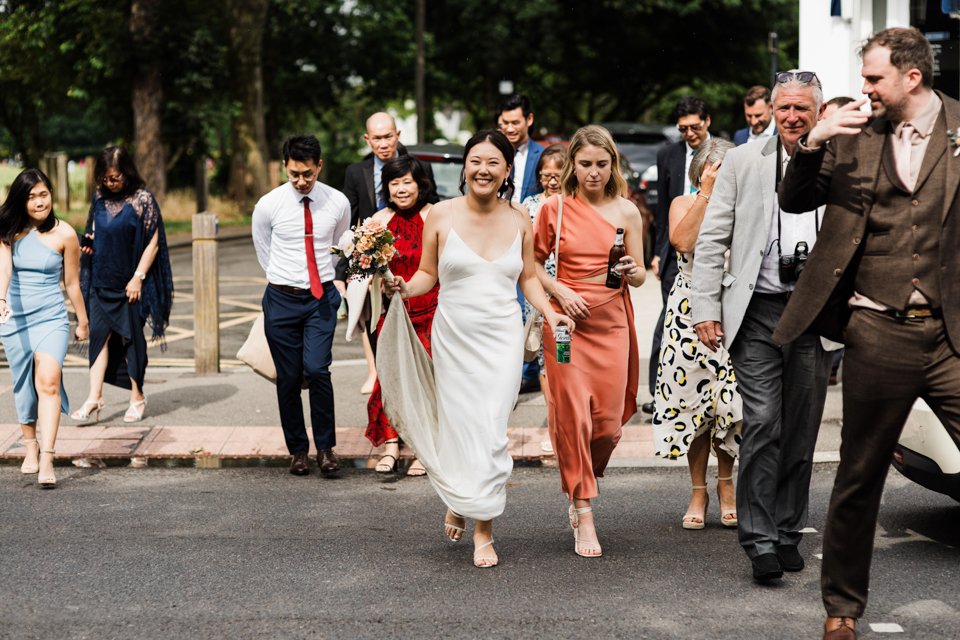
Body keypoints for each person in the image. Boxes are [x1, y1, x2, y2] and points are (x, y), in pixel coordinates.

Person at [775, 27, 960, 640]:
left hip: (951, 333)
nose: (864, 89)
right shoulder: (851, 134)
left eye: (874, 78)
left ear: (913, 77)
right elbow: (796, 199)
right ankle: (842, 610)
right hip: (877, 327)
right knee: (859, 475)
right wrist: (811, 142)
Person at [381, 129, 573, 568]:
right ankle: (465, 501)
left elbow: (527, 277)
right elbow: (428, 274)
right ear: (465, 167)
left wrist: (551, 310)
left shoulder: (520, 218)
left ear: (507, 171)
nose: (483, 169)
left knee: (490, 430)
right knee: (460, 426)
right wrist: (403, 288)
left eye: (493, 162)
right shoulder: (441, 216)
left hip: (502, 339)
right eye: (475, 161)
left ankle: (482, 527)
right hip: (454, 338)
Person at [692, 71, 835, 585]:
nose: (793, 117)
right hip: (756, 313)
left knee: (801, 430)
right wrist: (706, 306)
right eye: (784, 108)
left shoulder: (840, 157)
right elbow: (712, 239)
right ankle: (758, 539)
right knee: (763, 422)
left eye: (802, 108)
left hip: (815, 315)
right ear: (772, 111)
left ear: (818, 110)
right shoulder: (741, 160)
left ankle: (788, 531)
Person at [534, 125, 644, 557]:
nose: (594, 173)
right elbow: (532, 267)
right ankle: (583, 511)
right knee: (575, 418)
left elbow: (638, 275)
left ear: (612, 165)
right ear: (572, 167)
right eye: (585, 165)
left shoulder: (627, 212)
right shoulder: (554, 208)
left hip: (613, 321)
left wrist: (634, 270)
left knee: (608, 427)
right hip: (566, 326)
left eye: (602, 165)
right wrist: (560, 292)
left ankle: (582, 477)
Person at [653, 139, 742, 530]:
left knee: (729, 403)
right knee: (692, 402)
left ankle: (726, 485)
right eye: (716, 170)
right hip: (688, 310)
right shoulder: (683, 203)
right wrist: (706, 192)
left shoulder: (743, 207)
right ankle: (697, 490)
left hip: (733, 308)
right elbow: (683, 242)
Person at [252, 135, 349, 477]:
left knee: (318, 370)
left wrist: (330, 280)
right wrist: (284, 279)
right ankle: (298, 450)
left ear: (319, 166)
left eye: (307, 173)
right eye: (294, 174)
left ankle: (326, 449)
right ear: (284, 167)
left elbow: (341, 243)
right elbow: (263, 248)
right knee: (289, 378)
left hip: (320, 298)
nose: (301, 181)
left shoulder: (337, 202)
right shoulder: (269, 204)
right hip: (281, 298)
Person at [71, 146, 173, 425]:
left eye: (114, 178)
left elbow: (154, 242)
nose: (110, 183)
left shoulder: (142, 199)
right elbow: (93, 231)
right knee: (98, 340)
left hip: (129, 285)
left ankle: (137, 397)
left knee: (131, 343)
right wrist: (88, 244)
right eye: (105, 178)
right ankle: (94, 397)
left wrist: (138, 277)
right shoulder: (99, 198)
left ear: (126, 172)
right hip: (100, 282)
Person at [0, 169, 89, 489]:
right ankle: (30, 447)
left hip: (51, 316)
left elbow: (72, 282)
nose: (39, 202)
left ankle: (48, 456)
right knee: (24, 385)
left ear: (52, 195)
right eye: (31, 196)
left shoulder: (65, 234)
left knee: (49, 380)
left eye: (44, 194)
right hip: (15, 317)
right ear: (20, 200)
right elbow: (4, 267)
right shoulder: (9, 230)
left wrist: (82, 320)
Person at [342, 112, 438, 395]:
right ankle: (376, 371)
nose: (383, 143)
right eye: (377, 138)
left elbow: (433, 210)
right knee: (373, 325)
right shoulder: (355, 172)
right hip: (376, 269)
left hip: (420, 272)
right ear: (367, 139)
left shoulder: (418, 167)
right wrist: (346, 273)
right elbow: (350, 221)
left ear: (398, 135)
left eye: (388, 136)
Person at [364, 154, 438, 478]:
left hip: (431, 309)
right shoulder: (378, 221)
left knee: (425, 379)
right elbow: (366, 268)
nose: (402, 188)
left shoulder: (435, 216)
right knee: (389, 377)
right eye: (395, 182)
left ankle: (424, 447)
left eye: (407, 181)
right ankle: (391, 445)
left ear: (420, 184)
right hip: (393, 311)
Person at [646, 97, 712, 414]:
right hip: (675, 251)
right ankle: (659, 391)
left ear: (707, 122)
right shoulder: (667, 155)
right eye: (683, 129)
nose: (689, 134)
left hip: (712, 250)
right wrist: (659, 254)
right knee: (669, 319)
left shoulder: (722, 153)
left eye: (695, 127)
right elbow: (661, 212)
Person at [498, 94, 546, 393]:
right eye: (504, 123)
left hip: (529, 237)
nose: (510, 128)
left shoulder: (542, 154)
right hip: (495, 235)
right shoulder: (494, 150)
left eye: (515, 122)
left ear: (529, 120)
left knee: (527, 301)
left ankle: (528, 368)